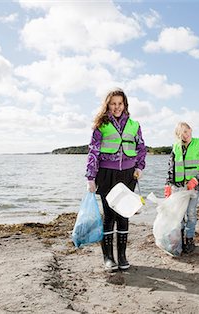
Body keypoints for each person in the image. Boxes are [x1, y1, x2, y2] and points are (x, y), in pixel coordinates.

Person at [85, 87, 146, 272]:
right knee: (109, 215)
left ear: (125, 105)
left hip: (128, 175)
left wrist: (139, 166)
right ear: (108, 105)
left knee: (124, 214)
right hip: (106, 174)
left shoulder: (135, 125)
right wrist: (90, 177)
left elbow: (141, 148)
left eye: (120, 103)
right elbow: (93, 152)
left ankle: (122, 256)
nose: (117, 107)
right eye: (113, 103)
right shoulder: (100, 125)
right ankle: (108, 258)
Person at [164, 122, 199, 254]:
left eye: (186, 131)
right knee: (178, 215)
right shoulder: (176, 148)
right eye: (182, 133)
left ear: (190, 129)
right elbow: (171, 167)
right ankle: (179, 241)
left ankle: (189, 240)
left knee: (191, 213)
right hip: (178, 187)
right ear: (178, 136)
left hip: (193, 188)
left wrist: (196, 180)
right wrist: (168, 184)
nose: (185, 135)